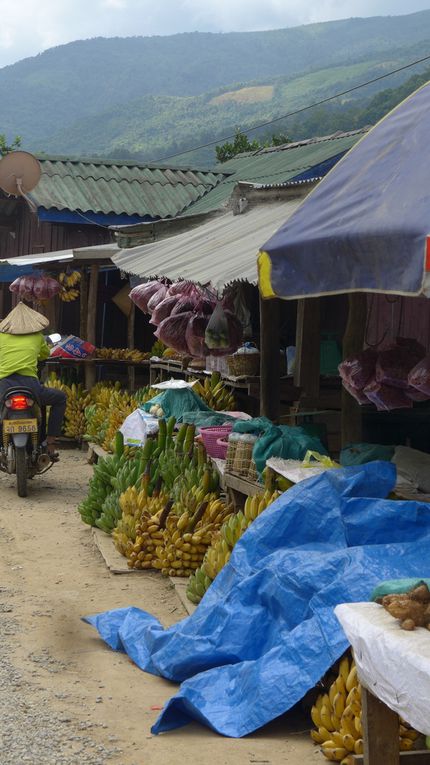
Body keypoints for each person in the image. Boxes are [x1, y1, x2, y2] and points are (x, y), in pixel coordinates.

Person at [0, 302, 66, 460]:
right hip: (30, 386)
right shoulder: (37, 337)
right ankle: (50, 442)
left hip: (4, 385)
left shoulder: (1, 336)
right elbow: (44, 355)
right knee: (60, 398)